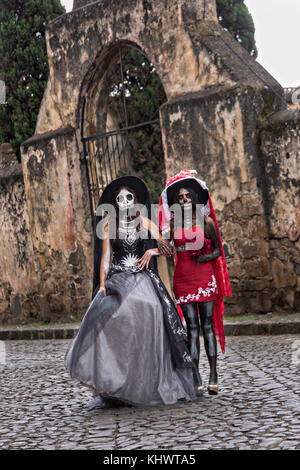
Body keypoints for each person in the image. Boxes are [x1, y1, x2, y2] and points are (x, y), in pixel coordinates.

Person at [65, 175, 202, 408]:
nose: (125, 201)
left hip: (142, 277)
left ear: (135, 200)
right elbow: (106, 259)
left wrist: (151, 252)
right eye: (120, 199)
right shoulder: (109, 225)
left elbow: (167, 247)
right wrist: (101, 285)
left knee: (151, 308)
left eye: (129, 197)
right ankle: (116, 379)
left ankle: (147, 379)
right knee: (115, 315)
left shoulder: (145, 222)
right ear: (116, 203)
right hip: (118, 278)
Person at [159, 170, 232, 395]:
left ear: (194, 197)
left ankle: (213, 374)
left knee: (207, 325)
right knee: (191, 329)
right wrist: (158, 241)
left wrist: (204, 256)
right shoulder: (172, 227)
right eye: (179, 198)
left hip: (205, 274)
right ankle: (196, 377)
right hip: (183, 276)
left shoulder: (207, 222)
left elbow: (219, 251)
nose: (184, 201)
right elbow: (165, 248)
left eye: (187, 196)